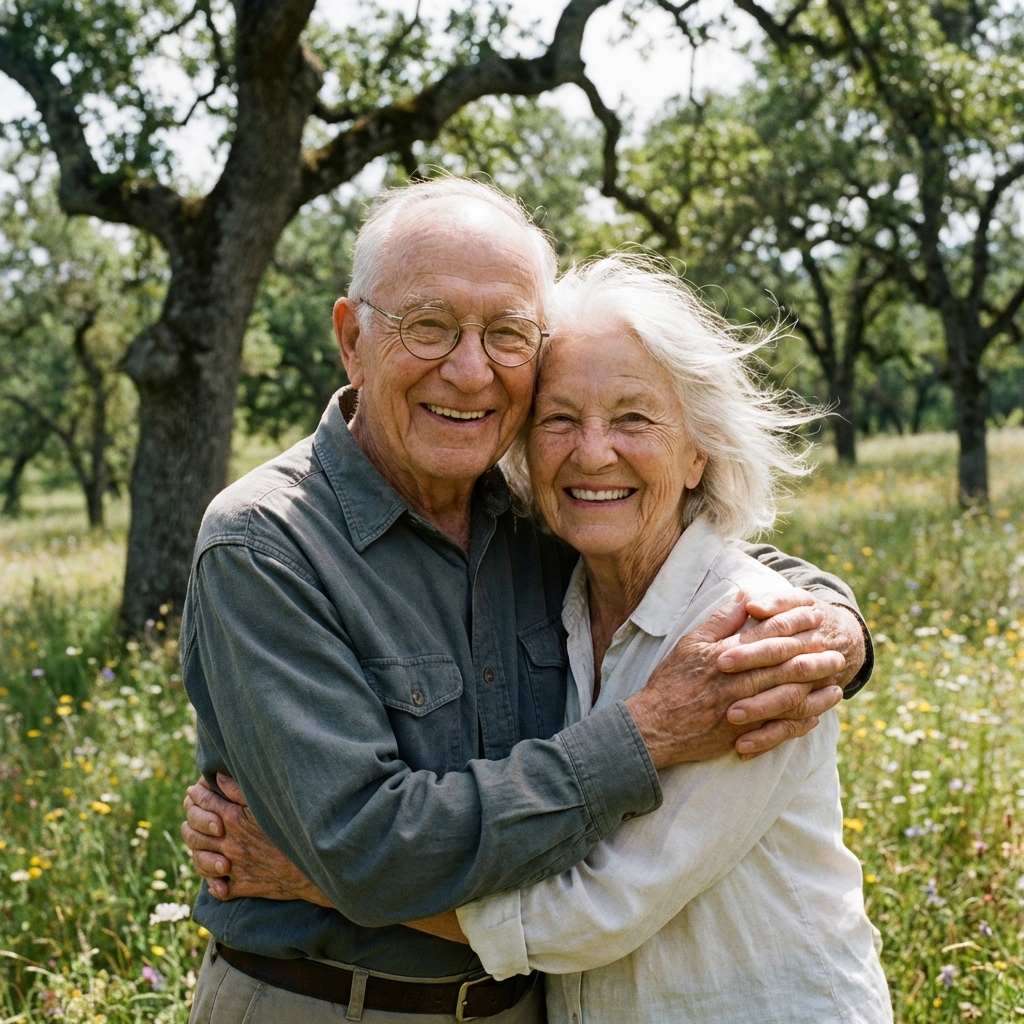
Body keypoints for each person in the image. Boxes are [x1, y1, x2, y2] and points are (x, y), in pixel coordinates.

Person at [180, 177, 870, 1024]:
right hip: (326, 1006)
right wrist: (651, 730)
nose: (470, 371)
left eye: (506, 334)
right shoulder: (264, 544)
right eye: (429, 325)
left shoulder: (547, 524)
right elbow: (368, 854)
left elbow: (689, 551)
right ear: (353, 338)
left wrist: (834, 623)